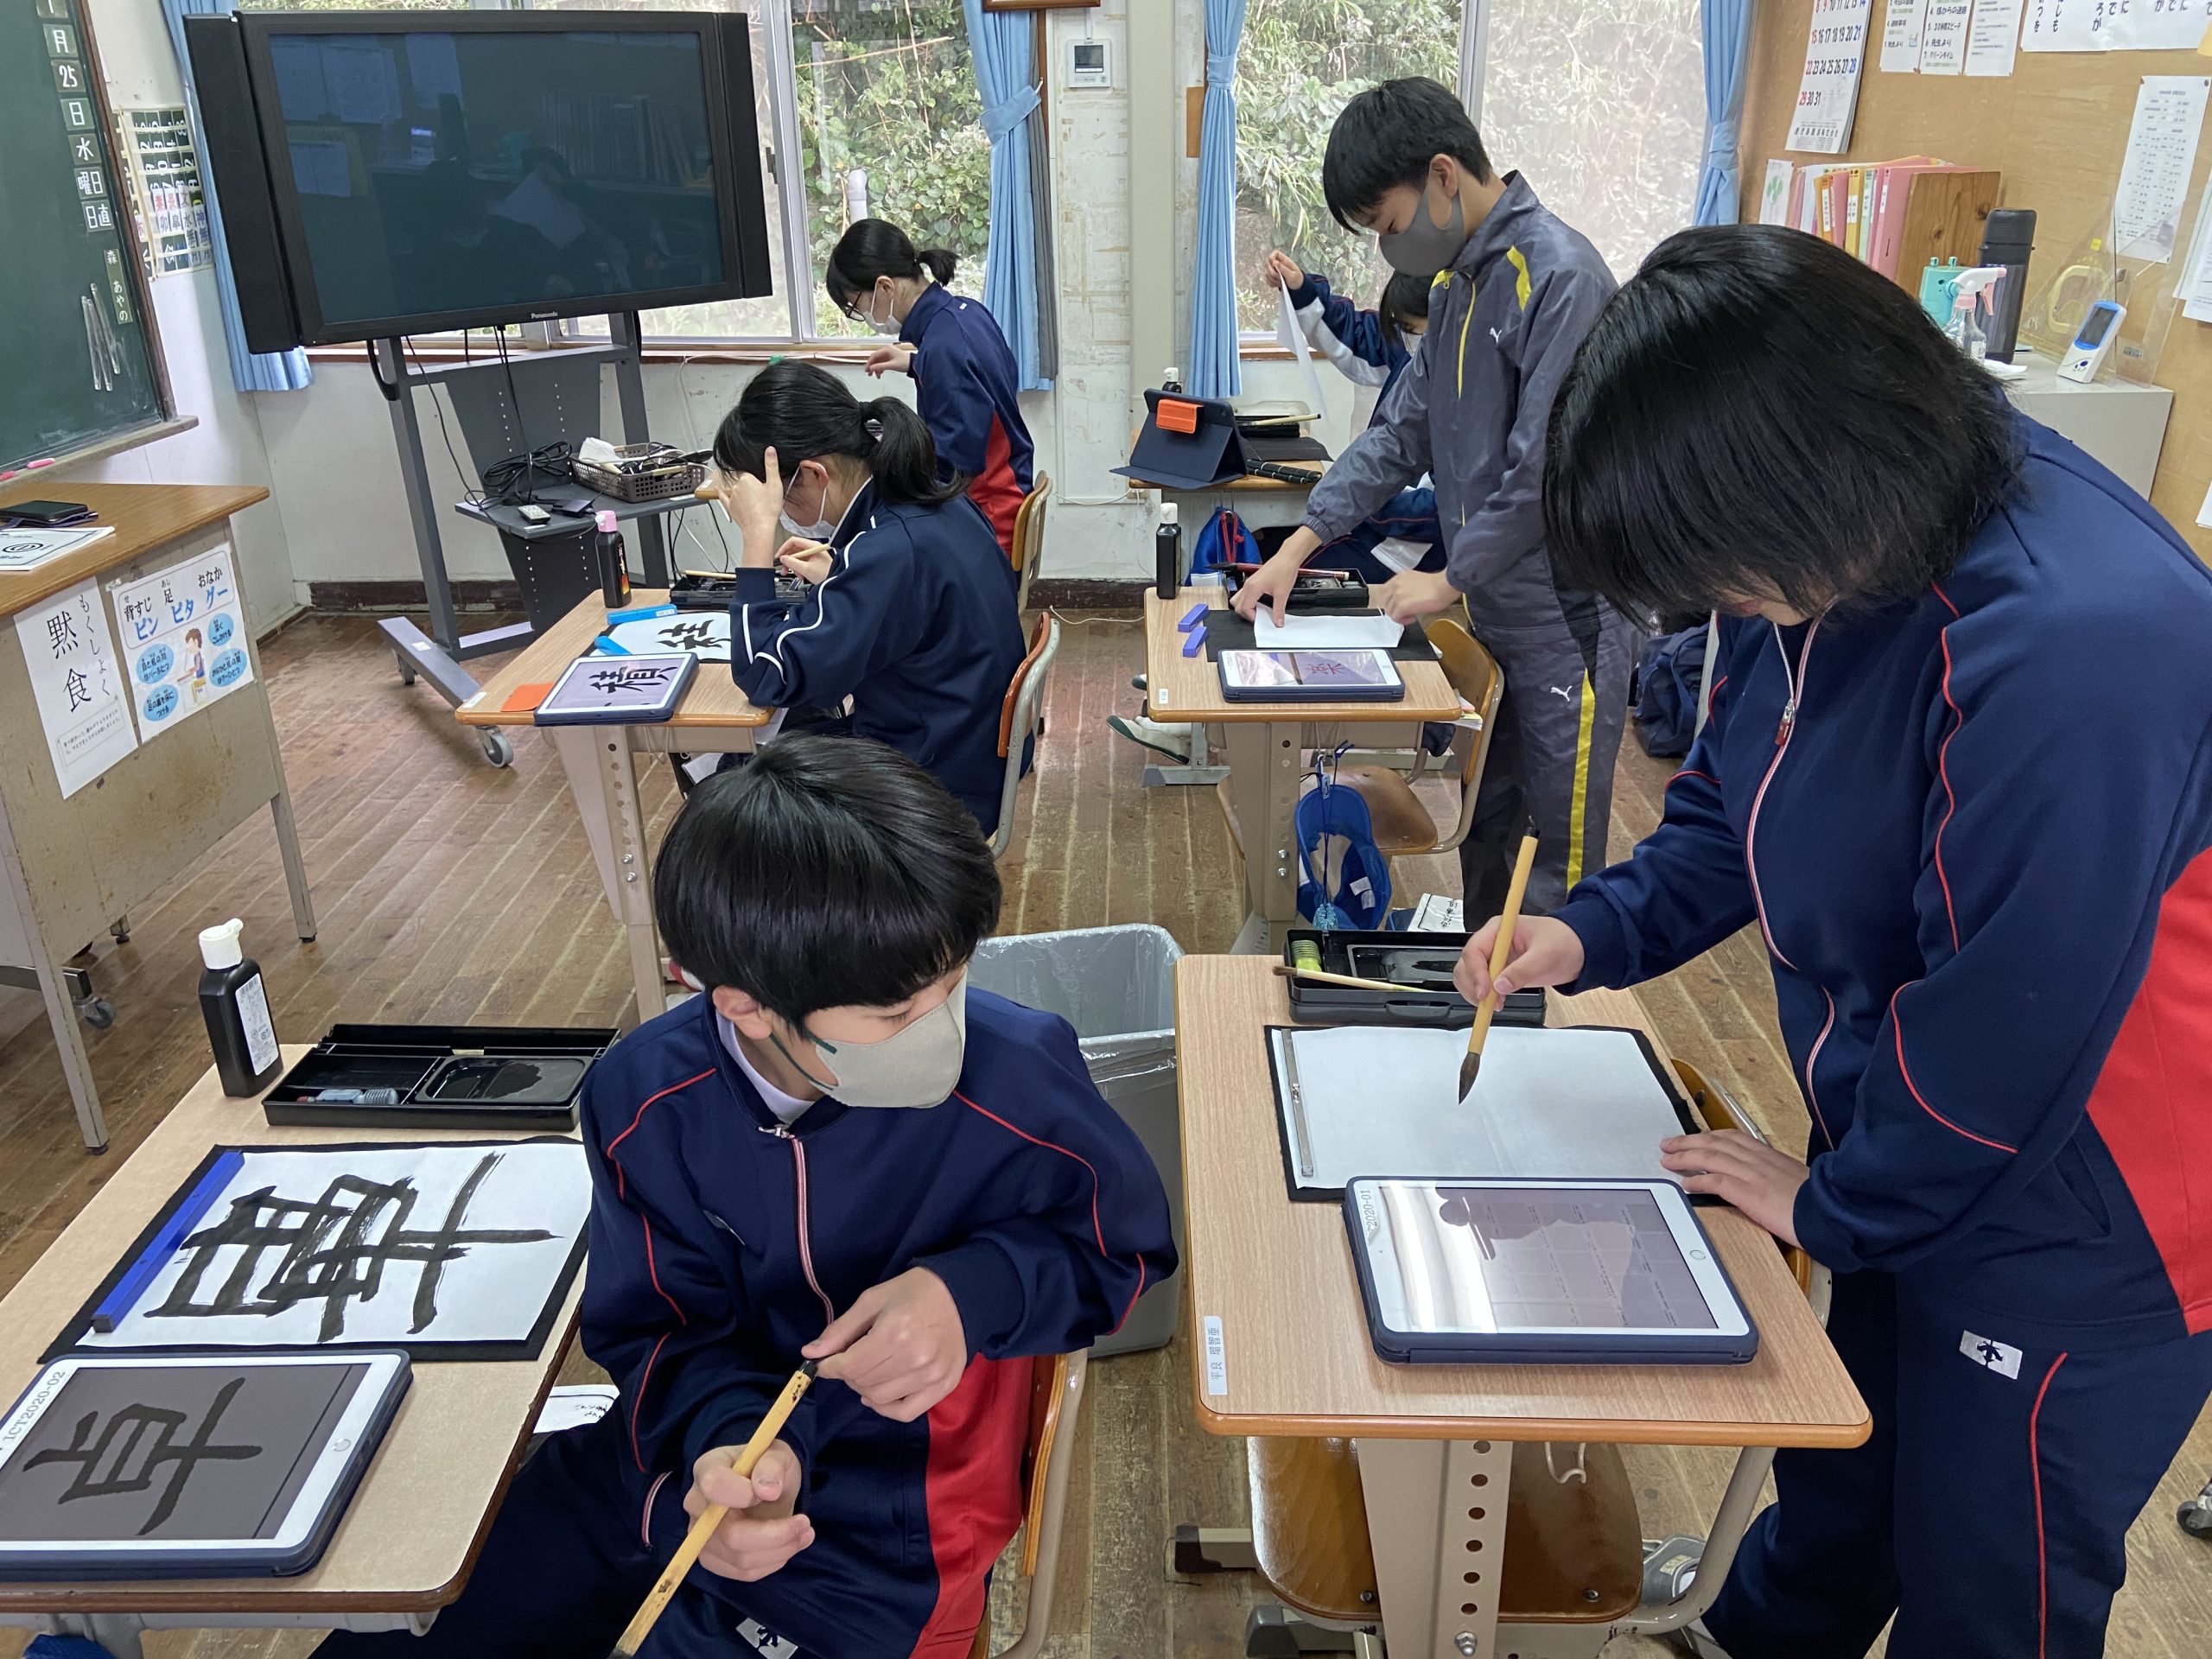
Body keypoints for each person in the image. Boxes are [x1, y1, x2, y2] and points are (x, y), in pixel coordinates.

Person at [1453, 225, 2212, 1659]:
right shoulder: (1827, 545)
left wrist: (1839, 1209)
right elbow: (1730, 811)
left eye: (1729, 585)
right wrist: (1585, 930)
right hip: (1902, 1126)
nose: (1730, 618)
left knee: (1987, 1577)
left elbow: (2013, 1025)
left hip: (2084, 1203)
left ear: (1800, 479)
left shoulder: (2082, 641)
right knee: (1842, 1471)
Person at [315, 736, 1177, 1659]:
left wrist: (972, 1294)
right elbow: (659, 1329)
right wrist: (728, 1452)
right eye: (895, 1014)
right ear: (744, 1007)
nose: (944, 1028)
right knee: (408, 1632)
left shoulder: (1016, 1077)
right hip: (672, 1463)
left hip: (886, 1531)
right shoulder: (646, 1100)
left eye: (956, 980)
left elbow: (1126, 1249)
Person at [1230, 77, 1637, 918]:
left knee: (1551, 871)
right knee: (1490, 836)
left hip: (1567, 627)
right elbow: (1398, 434)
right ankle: (1486, 987)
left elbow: (1544, 472)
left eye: (1387, 224)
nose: (1390, 249)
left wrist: (1446, 580)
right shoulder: (1457, 289)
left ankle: (1532, 1000)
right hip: (1495, 612)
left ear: (1443, 175)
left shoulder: (1558, 278)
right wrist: (1298, 548)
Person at [706, 359, 1027, 836]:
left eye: (778, 500)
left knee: (734, 772)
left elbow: (765, 675)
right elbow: (913, 597)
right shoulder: (937, 501)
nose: (780, 513)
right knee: (787, 731)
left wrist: (756, 537)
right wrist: (842, 572)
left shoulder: (888, 551)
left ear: (813, 474)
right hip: (964, 750)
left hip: (934, 787)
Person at [828, 219, 1035, 559]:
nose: (863, 314)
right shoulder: (963, 314)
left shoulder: (943, 348)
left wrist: (888, 457)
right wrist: (915, 362)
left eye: (856, 305)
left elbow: (953, 464)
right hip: (1008, 487)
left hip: (988, 519)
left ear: (884, 287)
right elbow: (980, 384)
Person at [1266, 252, 1444, 583]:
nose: (1409, 343)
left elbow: (1444, 505)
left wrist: (1372, 504)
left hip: (1408, 547)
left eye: (1415, 333)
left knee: (1283, 583)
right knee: (1265, 557)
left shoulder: (1467, 388)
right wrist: (1302, 289)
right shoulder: (1414, 346)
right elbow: (1361, 334)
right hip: (1375, 519)